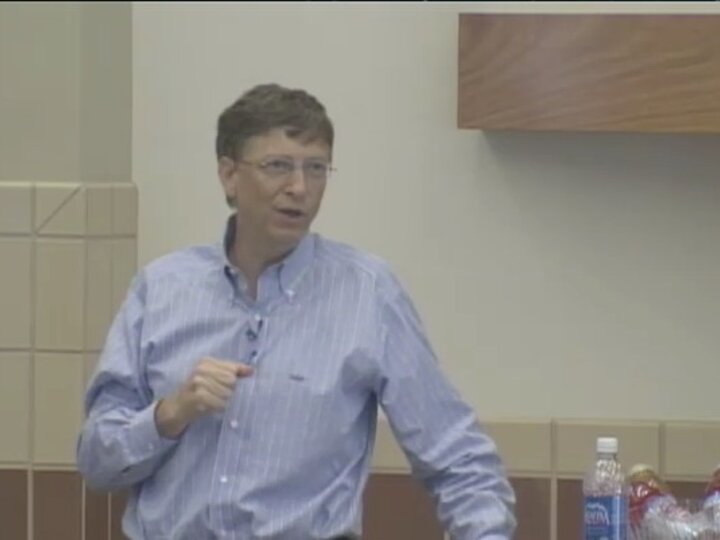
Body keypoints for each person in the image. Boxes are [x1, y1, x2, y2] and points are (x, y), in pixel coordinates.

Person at [77, 83, 516, 540]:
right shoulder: (161, 288)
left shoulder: (368, 293)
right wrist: (170, 413)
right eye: (277, 167)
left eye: (316, 169)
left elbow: (459, 460)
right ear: (229, 175)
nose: (299, 188)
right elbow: (97, 464)